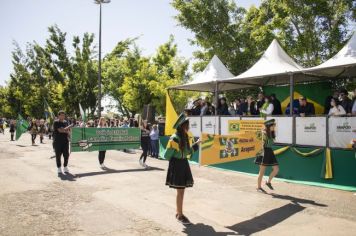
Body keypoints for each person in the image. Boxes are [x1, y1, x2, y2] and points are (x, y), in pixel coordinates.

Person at [164, 113, 200, 225]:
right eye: (187, 126)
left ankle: (178, 212)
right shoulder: (174, 138)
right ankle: (180, 215)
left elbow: (188, 152)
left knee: (182, 191)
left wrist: (196, 144)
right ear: (182, 126)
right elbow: (166, 155)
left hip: (184, 164)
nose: (188, 128)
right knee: (180, 191)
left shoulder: (184, 137)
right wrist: (175, 152)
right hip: (177, 165)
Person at [255, 119, 279, 193]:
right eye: (273, 126)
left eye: (274, 126)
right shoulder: (263, 133)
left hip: (269, 152)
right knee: (262, 172)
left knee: (276, 169)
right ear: (269, 126)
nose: (274, 127)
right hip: (263, 152)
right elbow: (259, 142)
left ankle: (268, 182)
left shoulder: (271, 133)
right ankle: (259, 187)